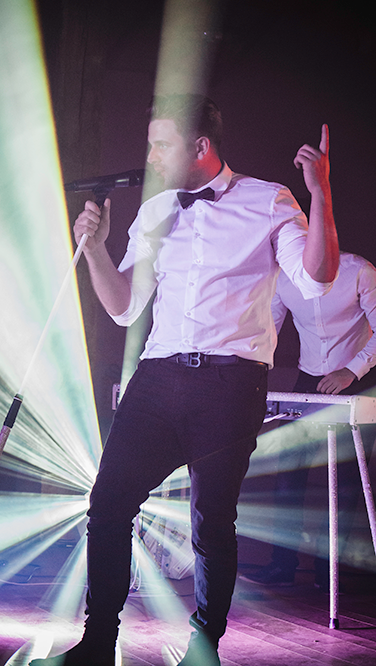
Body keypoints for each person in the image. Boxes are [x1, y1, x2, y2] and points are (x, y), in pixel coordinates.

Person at [29, 94, 339, 666]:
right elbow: (124, 307)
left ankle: (203, 643)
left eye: (160, 143)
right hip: (158, 377)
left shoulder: (269, 201)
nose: (149, 155)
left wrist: (319, 194)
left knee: (211, 520)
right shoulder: (154, 212)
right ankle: (98, 642)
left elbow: (319, 278)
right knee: (108, 501)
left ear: (200, 147)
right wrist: (95, 249)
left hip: (229, 383)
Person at [240, 251, 376, 592]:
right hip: (308, 380)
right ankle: (282, 564)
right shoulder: (282, 277)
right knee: (288, 476)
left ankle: (328, 572)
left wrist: (351, 370)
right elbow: (267, 326)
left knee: (344, 484)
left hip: (354, 380)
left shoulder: (360, 272)